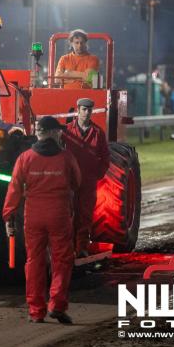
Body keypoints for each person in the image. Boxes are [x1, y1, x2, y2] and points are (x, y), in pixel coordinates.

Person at [2, 116, 81, 324]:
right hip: (59, 215)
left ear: (38, 133)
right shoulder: (66, 157)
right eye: (59, 131)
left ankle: (36, 311)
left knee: (34, 262)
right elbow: (77, 182)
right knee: (62, 260)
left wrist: (9, 215)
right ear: (54, 133)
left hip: (33, 215)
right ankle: (57, 305)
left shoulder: (25, 158)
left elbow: (14, 189)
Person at [64, 98, 110, 258]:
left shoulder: (98, 133)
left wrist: (98, 174)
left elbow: (105, 157)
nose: (86, 112)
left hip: (88, 181)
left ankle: (82, 248)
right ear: (78, 110)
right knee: (68, 214)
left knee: (85, 215)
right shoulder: (66, 131)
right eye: (84, 109)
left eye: (89, 110)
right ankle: (68, 247)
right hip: (70, 182)